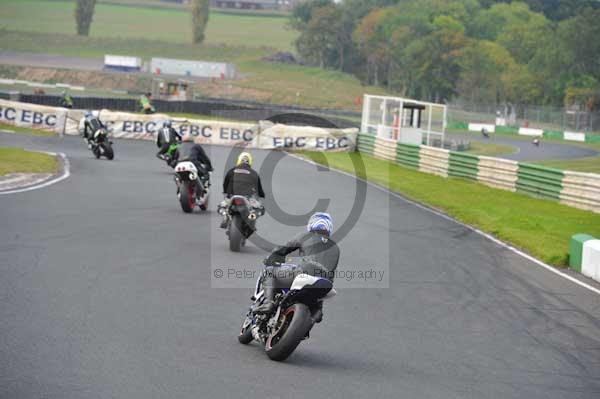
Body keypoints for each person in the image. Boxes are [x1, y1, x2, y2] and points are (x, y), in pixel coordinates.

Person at [255, 212, 340, 319]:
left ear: (312, 224)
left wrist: (271, 258)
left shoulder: (305, 236)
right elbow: (332, 271)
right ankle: (316, 312)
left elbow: (283, 249)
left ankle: (268, 303)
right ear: (329, 227)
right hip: (325, 284)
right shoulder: (336, 248)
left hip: (303, 274)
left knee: (269, 271)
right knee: (317, 309)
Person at [220, 152, 265, 228]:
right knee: (260, 209)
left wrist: (226, 193)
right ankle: (252, 217)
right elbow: (259, 188)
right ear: (250, 162)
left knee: (222, 206)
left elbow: (225, 184)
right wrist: (262, 195)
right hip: (247, 196)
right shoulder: (254, 173)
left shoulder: (231, 171)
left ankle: (225, 215)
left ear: (239, 160)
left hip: (232, 195)